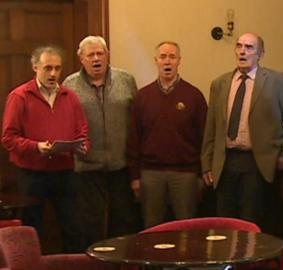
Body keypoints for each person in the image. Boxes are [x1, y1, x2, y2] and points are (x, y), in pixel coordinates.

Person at [201, 32, 283, 227]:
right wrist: (207, 163)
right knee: (225, 222)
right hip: (226, 162)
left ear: (260, 54)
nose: (242, 51)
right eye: (239, 46)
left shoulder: (277, 82)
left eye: (249, 47)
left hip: (258, 162)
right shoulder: (220, 83)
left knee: (251, 220)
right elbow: (211, 127)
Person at [2, 45, 88, 252]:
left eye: (57, 68)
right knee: (33, 229)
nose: (53, 74)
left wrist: (83, 146)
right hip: (32, 174)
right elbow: (8, 138)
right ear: (35, 67)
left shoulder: (70, 96)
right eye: (48, 68)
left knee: (73, 228)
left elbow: (82, 130)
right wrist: (36, 147)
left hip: (64, 172)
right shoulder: (20, 96)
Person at [63, 36, 141, 249]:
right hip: (86, 167)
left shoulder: (126, 80)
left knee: (124, 221)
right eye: (91, 55)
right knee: (90, 224)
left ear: (107, 55)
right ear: (81, 59)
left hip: (120, 164)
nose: (96, 59)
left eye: (100, 53)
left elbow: (137, 121)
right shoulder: (69, 85)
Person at [128, 41, 207, 228]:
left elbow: (204, 138)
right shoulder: (143, 97)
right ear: (156, 61)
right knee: (152, 228)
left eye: (172, 57)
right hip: (150, 174)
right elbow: (133, 138)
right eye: (163, 57)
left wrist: (201, 174)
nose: (167, 61)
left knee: (186, 228)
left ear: (179, 61)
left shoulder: (194, 96)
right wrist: (134, 176)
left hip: (185, 174)